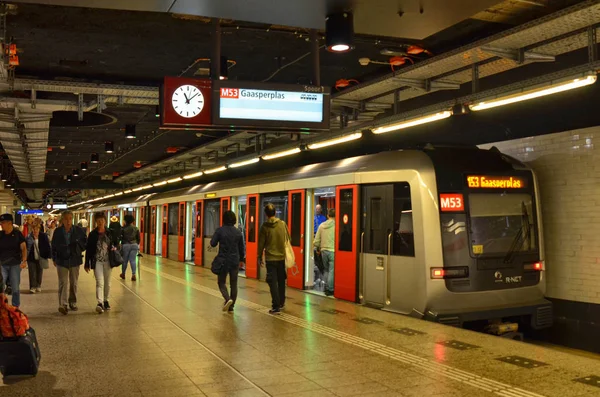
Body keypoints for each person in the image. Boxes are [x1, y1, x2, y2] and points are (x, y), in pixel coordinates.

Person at [52, 210, 87, 315]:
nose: (68, 221)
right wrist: (54, 258)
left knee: (74, 283)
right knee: (63, 282)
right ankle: (63, 304)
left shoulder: (78, 230)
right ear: (62, 220)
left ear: (72, 219)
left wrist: (78, 248)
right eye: (66, 219)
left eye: (70, 219)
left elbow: (85, 242)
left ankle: (73, 302)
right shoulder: (58, 231)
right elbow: (53, 245)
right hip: (61, 260)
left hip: (74, 260)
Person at [258, 203, 290, 315]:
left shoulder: (264, 227)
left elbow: (261, 244)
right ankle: (281, 302)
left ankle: (275, 306)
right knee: (281, 281)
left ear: (266, 214)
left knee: (272, 282)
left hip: (270, 259)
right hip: (281, 258)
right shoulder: (282, 224)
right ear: (275, 212)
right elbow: (288, 238)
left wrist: (259, 257)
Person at [210, 210, 245, 312]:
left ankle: (227, 299)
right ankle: (231, 306)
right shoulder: (238, 232)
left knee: (221, 282)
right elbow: (241, 248)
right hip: (235, 261)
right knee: (234, 283)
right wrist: (242, 259)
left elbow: (213, 243)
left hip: (223, 260)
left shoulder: (220, 230)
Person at [85, 212, 115, 314]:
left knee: (108, 283)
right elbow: (88, 249)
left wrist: (115, 248)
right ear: (96, 222)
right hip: (97, 261)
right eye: (98, 221)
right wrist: (87, 263)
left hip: (108, 261)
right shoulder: (92, 234)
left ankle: (106, 300)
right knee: (100, 282)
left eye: (101, 220)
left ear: (105, 221)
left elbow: (115, 244)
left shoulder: (110, 232)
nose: (100, 222)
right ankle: (100, 302)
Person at [0, 214, 27, 307]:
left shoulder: (17, 234)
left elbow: (23, 248)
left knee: (15, 287)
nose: (1, 224)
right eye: (1, 223)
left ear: (10, 223)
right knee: (1, 286)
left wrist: (24, 260)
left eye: (3, 223)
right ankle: (3, 306)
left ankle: (16, 307)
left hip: (15, 264)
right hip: (2, 264)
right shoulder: (1, 235)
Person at [314, 208, 335, 296]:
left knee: (326, 270)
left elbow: (316, 241)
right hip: (333, 251)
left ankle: (326, 287)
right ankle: (330, 289)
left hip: (323, 251)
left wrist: (318, 248)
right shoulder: (337, 225)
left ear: (327, 215)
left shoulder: (321, 226)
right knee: (331, 270)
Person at [26, 224, 51, 294]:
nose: (35, 231)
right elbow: (26, 247)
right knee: (32, 273)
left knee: (39, 272)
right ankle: (32, 287)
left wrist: (47, 255)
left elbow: (47, 246)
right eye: (33, 229)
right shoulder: (29, 237)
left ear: (39, 229)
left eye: (36, 229)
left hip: (41, 257)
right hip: (31, 257)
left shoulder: (43, 236)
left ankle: (38, 285)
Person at [120, 214, 140, 281]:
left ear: (125, 221)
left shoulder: (123, 228)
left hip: (126, 245)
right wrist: (137, 243)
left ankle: (123, 274)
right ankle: (133, 274)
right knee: (133, 260)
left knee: (124, 261)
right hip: (134, 245)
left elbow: (120, 237)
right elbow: (138, 238)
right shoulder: (136, 228)